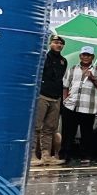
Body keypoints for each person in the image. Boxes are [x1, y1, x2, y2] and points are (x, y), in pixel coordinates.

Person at [61, 47, 97, 164]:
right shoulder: (72, 69)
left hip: (88, 106)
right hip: (71, 105)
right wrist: (65, 100)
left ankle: (86, 156)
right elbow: (65, 85)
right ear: (80, 56)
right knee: (68, 132)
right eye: (84, 55)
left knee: (87, 133)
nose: (86, 57)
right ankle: (65, 155)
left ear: (92, 57)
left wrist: (93, 78)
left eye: (89, 55)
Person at [32, 35, 67, 166]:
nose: (58, 45)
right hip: (42, 95)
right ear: (50, 44)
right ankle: (32, 155)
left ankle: (46, 155)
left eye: (61, 43)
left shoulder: (63, 61)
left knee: (50, 128)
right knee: (36, 126)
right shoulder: (43, 57)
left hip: (55, 97)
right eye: (55, 42)